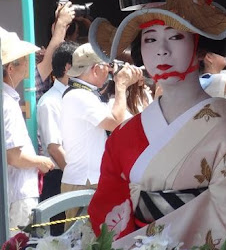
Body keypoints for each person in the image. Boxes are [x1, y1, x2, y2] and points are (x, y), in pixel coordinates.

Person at [87, 0, 226, 248]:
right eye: (150, 39)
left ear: (199, 45)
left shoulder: (224, 130)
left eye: (176, 36)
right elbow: (106, 209)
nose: (161, 50)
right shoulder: (124, 135)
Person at [61, 43, 141, 226]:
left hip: (86, 180)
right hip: (85, 182)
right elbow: (116, 122)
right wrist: (121, 85)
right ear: (96, 69)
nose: (109, 71)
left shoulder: (83, 94)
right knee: (84, 241)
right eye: (107, 66)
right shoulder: (80, 96)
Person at [1, 27, 55, 234]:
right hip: (19, 193)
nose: (27, 63)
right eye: (22, 59)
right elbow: (14, 156)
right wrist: (41, 161)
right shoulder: (6, 103)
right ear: (10, 69)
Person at [37, 40, 78, 235]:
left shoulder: (79, 96)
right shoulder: (50, 102)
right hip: (60, 178)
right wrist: (74, 177)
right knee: (59, 238)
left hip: (74, 177)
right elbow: (54, 147)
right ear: (69, 67)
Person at [35, 2, 76, 100]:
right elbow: (49, 61)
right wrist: (61, 23)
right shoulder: (28, 82)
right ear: (10, 68)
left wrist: (60, 29)